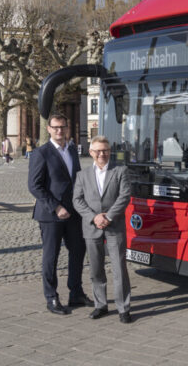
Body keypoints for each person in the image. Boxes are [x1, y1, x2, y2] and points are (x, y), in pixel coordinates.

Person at [28, 113, 92, 315]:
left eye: (62, 127)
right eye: (55, 127)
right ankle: (51, 297)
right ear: (48, 129)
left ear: (67, 128)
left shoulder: (72, 150)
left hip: (74, 212)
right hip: (51, 215)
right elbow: (34, 186)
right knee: (51, 257)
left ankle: (76, 293)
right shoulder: (41, 153)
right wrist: (55, 207)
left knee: (78, 250)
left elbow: (78, 180)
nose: (59, 130)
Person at [73, 136, 133, 324]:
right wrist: (94, 217)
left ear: (109, 151)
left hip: (114, 225)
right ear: (91, 153)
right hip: (92, 227)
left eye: (105, 150)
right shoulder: (82, 175)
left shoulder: (120, 171)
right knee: (96, 268)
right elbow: (77, 200)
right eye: (98, 151)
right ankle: (101, 305)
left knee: (119, 268)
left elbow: (124, 196)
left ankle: (124, 308)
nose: (102, 154)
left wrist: (108, 216)